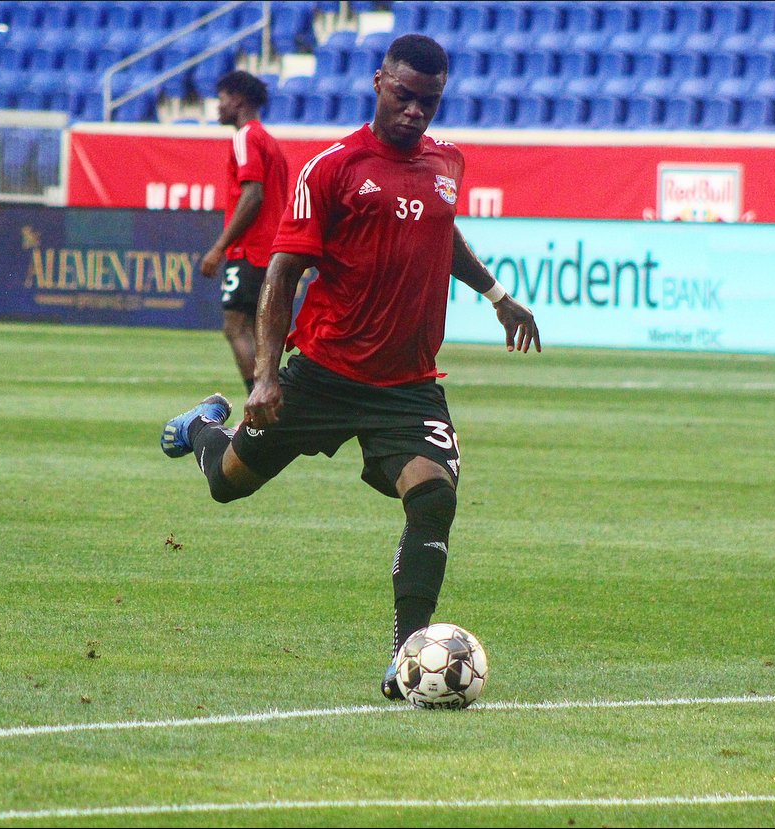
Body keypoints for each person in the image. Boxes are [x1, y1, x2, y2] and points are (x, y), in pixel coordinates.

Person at [162, 34, 540, 700]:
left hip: (408, 385)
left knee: (433, 497)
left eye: (429, 101)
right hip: (325, 371)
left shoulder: (447, 162)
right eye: (405, 96)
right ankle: (201, 428)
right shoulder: (332, 168)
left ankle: (406, 658)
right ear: (378, 83)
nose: (415, 111)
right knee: (226, 484)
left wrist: (497, 295)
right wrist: (266, 375)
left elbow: (442, 229)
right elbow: (283, 273)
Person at [200, 70, 289, 394]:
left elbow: (253, 195)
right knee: (258, 330)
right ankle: (269, 402)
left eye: (222, 99)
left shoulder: (246, 137)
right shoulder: (270, 142)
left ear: (237, 100)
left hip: (250, 250)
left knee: (235, 326)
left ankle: (260, 402)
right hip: (274, 251)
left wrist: (219, 248)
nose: (218, 106)